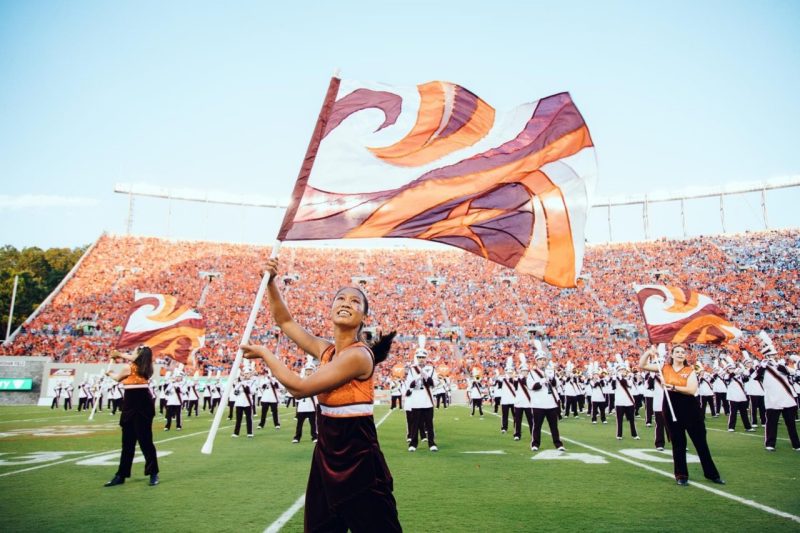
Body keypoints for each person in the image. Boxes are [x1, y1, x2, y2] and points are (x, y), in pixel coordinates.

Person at [241, 258, 401, 532]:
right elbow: (284, 321)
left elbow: (300, 389)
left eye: (355, 302)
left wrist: (266, 354)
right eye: (340, 298)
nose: (346, 303)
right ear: (330, 309)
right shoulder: (326, 350)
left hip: (359, 462)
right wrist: (270, 283)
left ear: (363, 318)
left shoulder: (360, 356)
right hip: (326, 458)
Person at [638, 345, 724, 487]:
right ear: (671, 354)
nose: (680, 354)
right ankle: (681, 475)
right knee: (678, 443)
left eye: (682, 352)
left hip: (690, 407)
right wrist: (648, 352)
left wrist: (672, 386)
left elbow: (691, 390)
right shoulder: (664, 367)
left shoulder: (690, 370)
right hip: (671, 407)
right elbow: (642, 365)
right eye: (677, 352)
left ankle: (712, 474)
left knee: (700, 442)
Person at [103, 345, 159, 487]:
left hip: (142, 405)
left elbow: (136, 360)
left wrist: (118, 354)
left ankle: (153, 473)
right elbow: (117, 379)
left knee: (145, 441)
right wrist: (109, 373)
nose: (132, 352)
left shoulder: (144, 368)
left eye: (135, 351)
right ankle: (121, 474)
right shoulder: (131, 367)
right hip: (129, 403)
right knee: (127, 443)